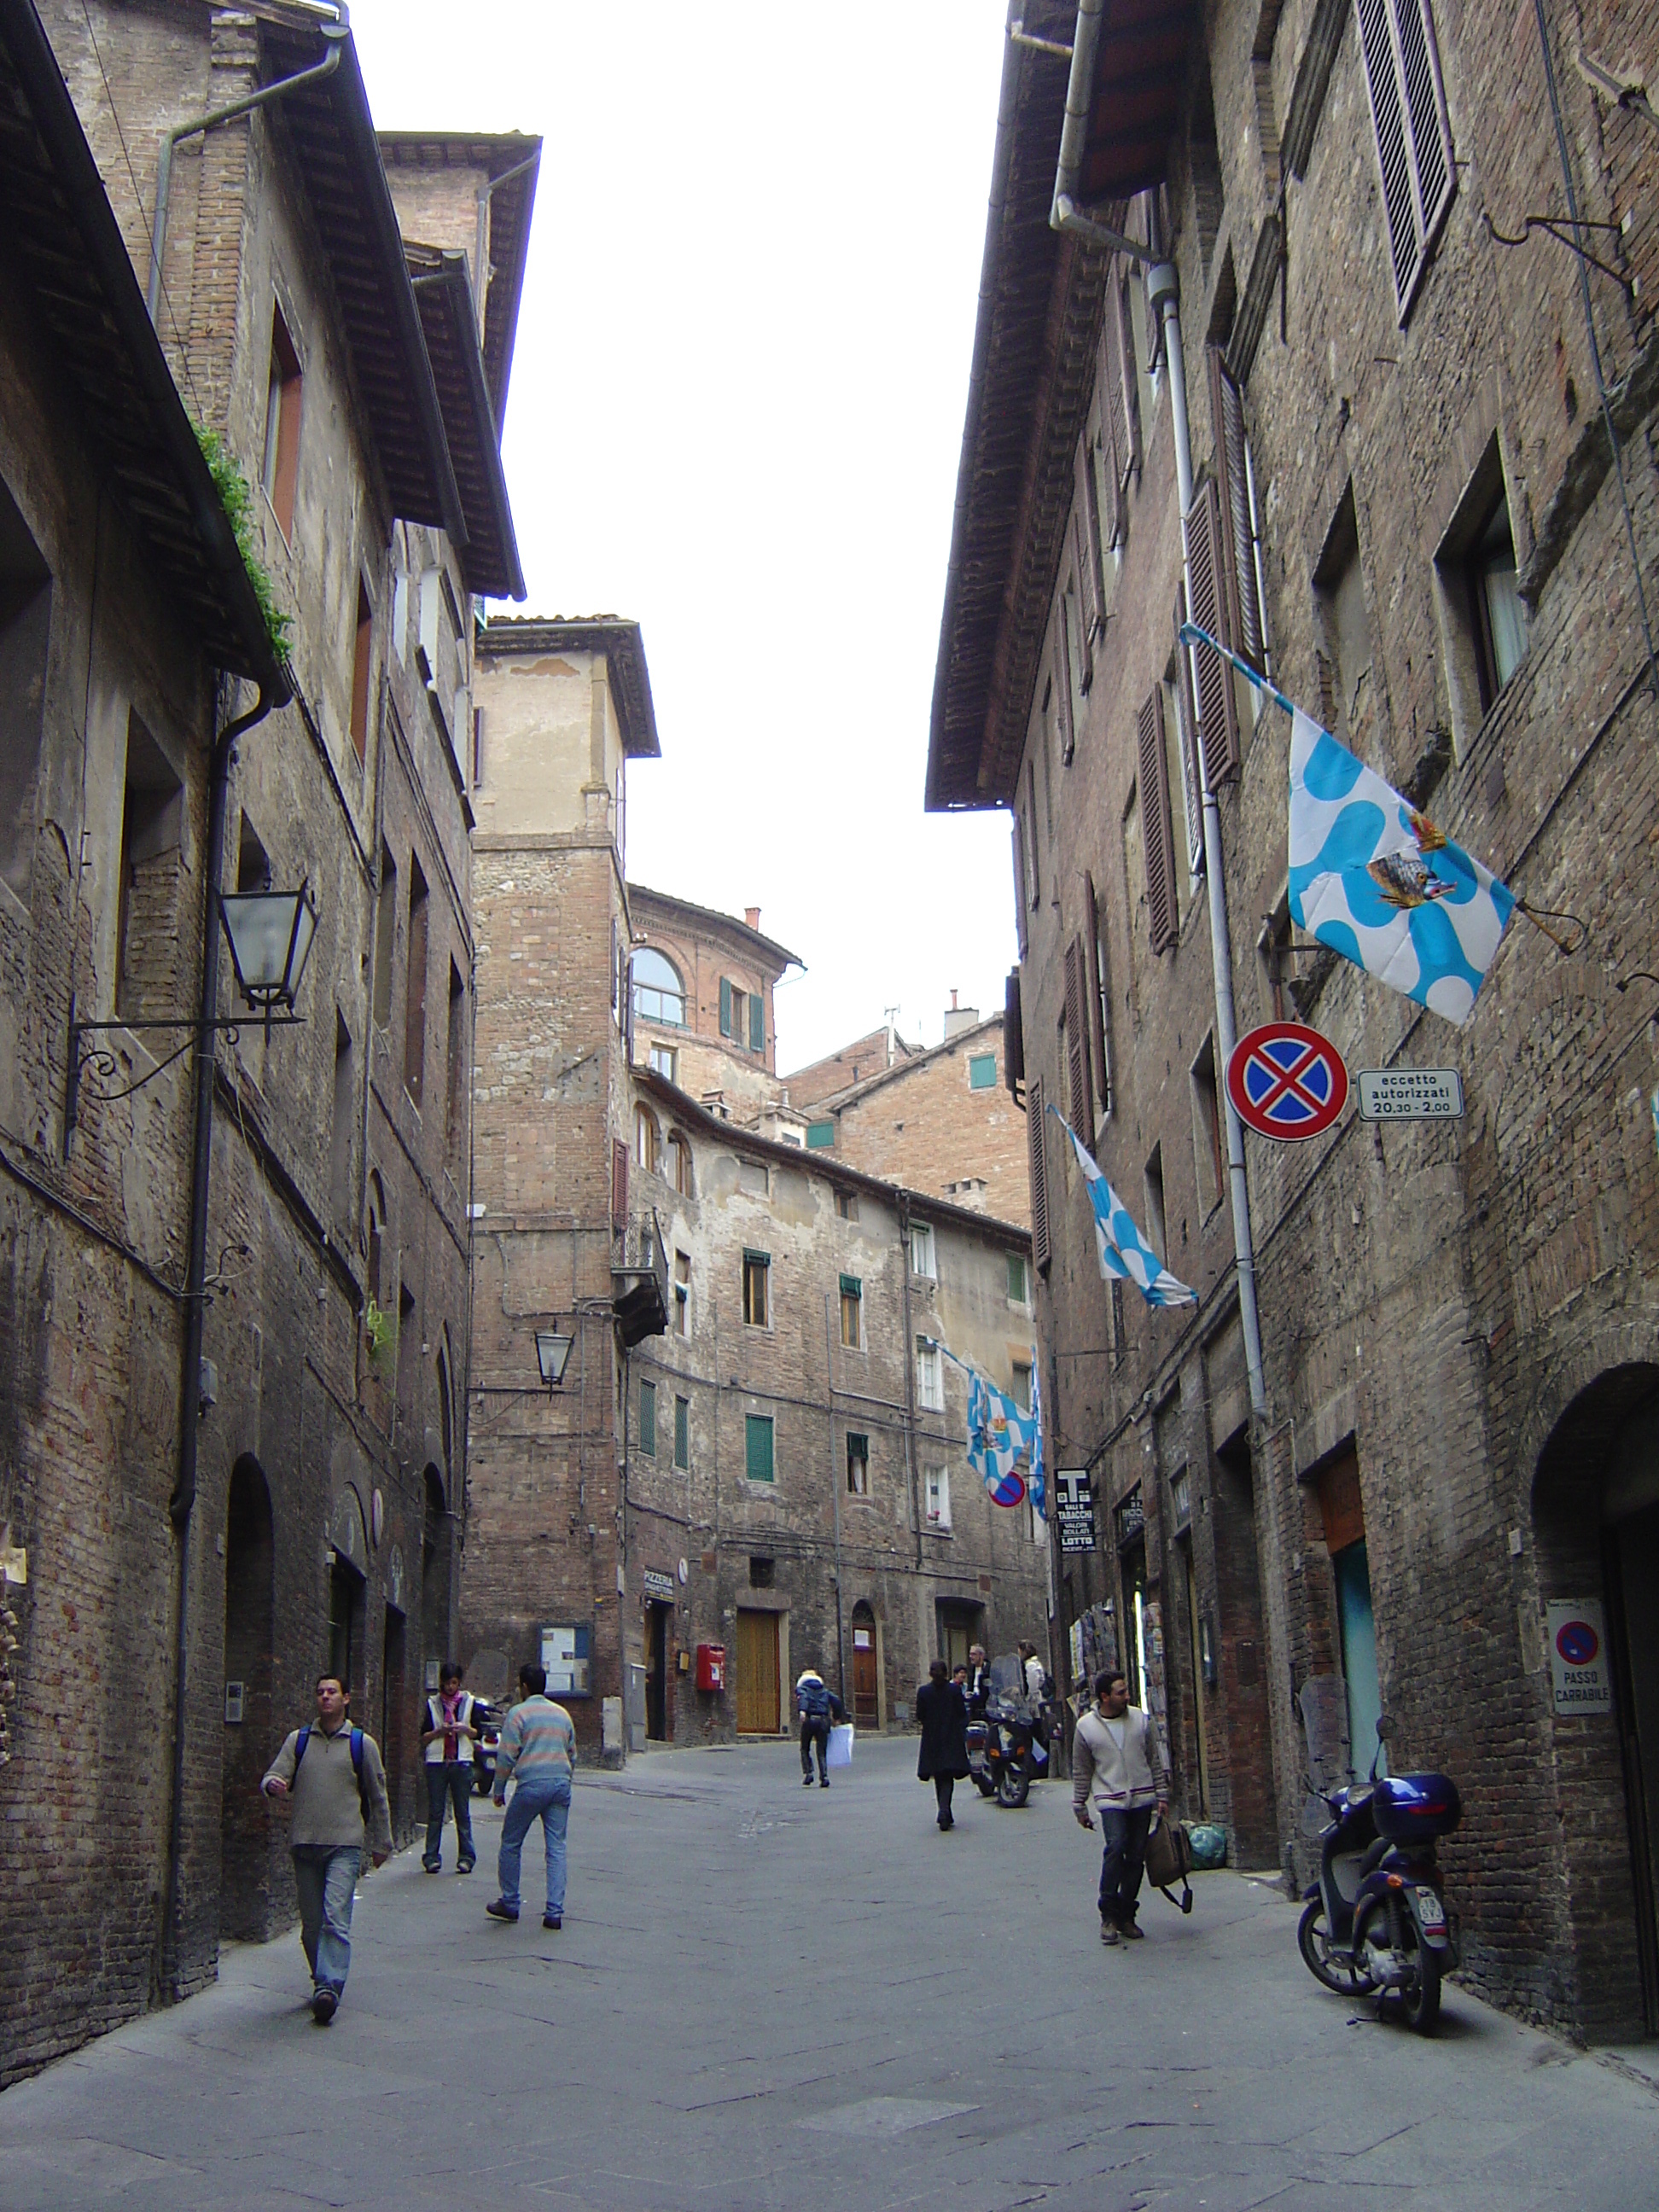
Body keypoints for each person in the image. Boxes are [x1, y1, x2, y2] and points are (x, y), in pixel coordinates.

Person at [262, 1673, 393, 2023]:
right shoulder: (298, 1740)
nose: (325, 1697)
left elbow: (378, 1796)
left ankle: (329, 1987)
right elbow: (276, 1773)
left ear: (346, 1698)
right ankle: (321, 1978)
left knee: (335, 1918)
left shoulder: (361, 1744)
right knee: (312, 1923)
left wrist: (382, 1842)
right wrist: (272, 1784)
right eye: (320, 1692)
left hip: (344, 1845)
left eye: (332, 1692)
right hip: (305, 1843)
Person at [1072, 1669, 1168, 1945]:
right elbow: (1081, 1770)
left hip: (1142, 1795)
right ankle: (1108, 1913)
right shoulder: (1086, 1727)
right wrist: (1079, 1806)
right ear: (1105, 1697)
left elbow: (1154, 1758)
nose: (1127, 1696)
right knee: (1116, 1847)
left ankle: (1128, 1913)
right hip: (1110, 1797)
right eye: (1120, 1692)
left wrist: (1161, 1795)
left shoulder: (1139, 1719)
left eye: (1126, 1691)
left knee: (1136, 1856)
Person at [486, 1662, 576, 1930]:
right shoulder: (562, 1714)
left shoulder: (518, 1714)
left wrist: (499, 1789)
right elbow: (572, 1753)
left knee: (512, 1841)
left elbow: (506, 1755)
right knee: (557, 1847)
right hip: (560, 1784)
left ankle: (511, 1902)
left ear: (524, 1687)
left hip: (532, 1784)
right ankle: (554, 1912)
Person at [420, 1661, 478, 1873]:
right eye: (447, 1683)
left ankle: (466, 1858)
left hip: (461, 1762)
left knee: (462, 1812)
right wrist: (439, 1732)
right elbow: (423, 1737)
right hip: (437, 1763)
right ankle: (431, 1857)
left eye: (454, 1683)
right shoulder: (432, 1704)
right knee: (435, 1812)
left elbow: (476, 1733)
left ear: (459, 1683)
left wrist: (463, 1728)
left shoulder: (469, 1702)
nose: (450, 1687)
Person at [915, 1658, 969, 1831]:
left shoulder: (924, 1692)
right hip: (950, 1736)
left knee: (939, 1775)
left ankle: (944, 1810)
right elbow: (961, 1712)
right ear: (946, 1673)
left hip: (932, 1738)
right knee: (947, 1775)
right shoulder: (954, 1691)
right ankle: (945, 1810)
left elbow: (920, 1715)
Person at [795, 1666, 843, 1788]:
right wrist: (836, 1717)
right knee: (821, 1750)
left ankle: (808, 1773)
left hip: (809, 1720)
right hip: (823, 1721)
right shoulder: (825, 1691)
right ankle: (824, 1776)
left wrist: (802, 1711)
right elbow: (837, 1701)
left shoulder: (802, 1689)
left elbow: (804, 1698)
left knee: (805, 1748)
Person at [966, 1644, 992, 1714]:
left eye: (974, 1654)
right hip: (973, 1705)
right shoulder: (971, 1669)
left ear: (981, 1655)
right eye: (970, 1654)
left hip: (986, 1706)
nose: (971, 1657)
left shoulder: (990, 1669)